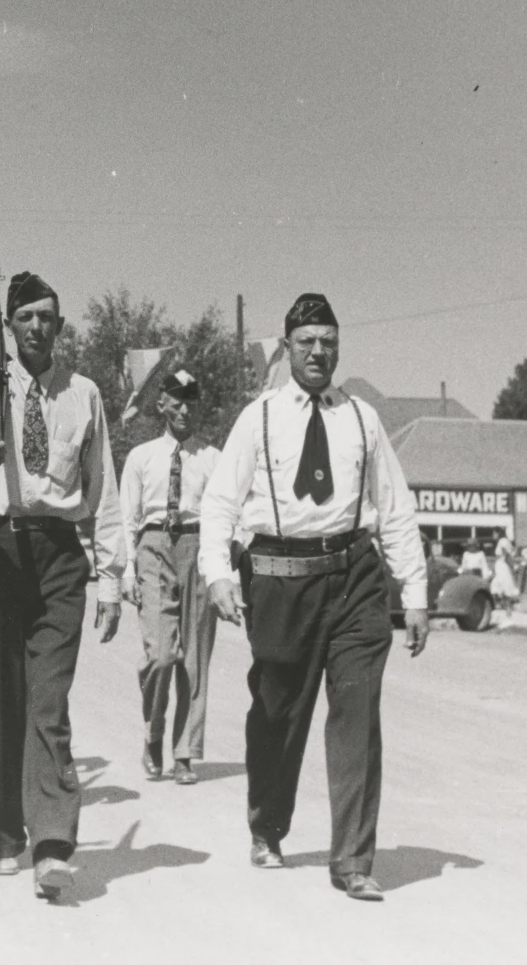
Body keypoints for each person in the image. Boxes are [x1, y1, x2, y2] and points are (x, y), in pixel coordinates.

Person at [201, 293, 428, 903]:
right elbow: (221, 500)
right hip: (279, 578)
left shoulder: (362, 418)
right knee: (277, 713)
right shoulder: (261, 416)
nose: (319, 353)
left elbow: (396, 508)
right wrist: (218, 572)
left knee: (357, 718)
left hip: (355, 576)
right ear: (288, 347)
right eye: (307, 342)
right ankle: (267, 825)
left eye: (328, 341)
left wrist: (416, 592)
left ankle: (353, 859)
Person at [0, 270, 124, 903]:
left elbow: (103, 491)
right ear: (9, 327)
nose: (38, 327)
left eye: (48, 317)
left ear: (60, 328)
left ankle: (52, 843)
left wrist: (114, 577)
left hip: (58, 554)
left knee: (48, 700)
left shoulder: (84, 394)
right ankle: (0, 836)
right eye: (26, 317)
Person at [118, 368, 220, 786]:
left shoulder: (214, 457)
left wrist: (221, 568)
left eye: (191, 403)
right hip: (153, 548)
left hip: (198, 549)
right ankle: (153, 732)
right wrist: (126, 567)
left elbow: (226, 513)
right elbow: (127, 518)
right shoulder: (141, 457)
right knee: (161, 655)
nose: (183, 410)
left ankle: (184, 754)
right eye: (176, 402)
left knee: (194, 661)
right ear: (161, 405)